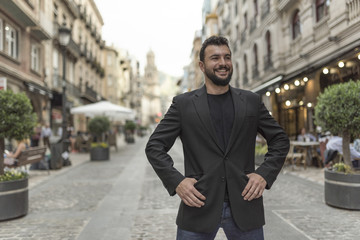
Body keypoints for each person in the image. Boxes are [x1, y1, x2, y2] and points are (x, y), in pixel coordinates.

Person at [145, 36, 290, 240]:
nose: (223, 63)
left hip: (246, 205)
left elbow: (280, 140)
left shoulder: (251, 101)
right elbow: (154, 146)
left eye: (227, 57)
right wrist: (177, 182)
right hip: (198, 205)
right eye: (215, 58)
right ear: (202, 66)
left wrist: (264, 174)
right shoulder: (183, 104)